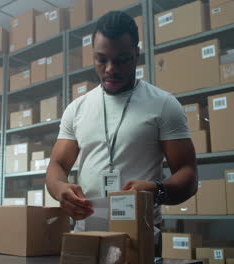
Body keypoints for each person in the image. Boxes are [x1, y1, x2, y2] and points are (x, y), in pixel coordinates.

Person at [45, 10, 198, 246]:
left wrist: (157, 190)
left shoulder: (164, 105)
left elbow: (188, 174)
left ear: (136, 54)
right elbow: (57, 165)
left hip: (140, 236)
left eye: (121, 59)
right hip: (86, 235)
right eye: (101, 59)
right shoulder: (76, 109)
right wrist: (59, 189)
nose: (110, 69)